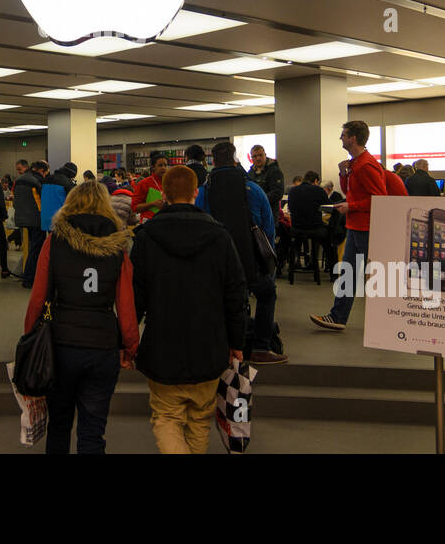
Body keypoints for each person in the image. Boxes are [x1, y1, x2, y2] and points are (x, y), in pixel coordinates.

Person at [131, 166, 247, 454]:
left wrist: (128, 341)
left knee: (167, 416)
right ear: (197, 193)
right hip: (210, 345)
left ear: (164, 195)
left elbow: (135, 296)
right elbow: (235, 294)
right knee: (199, 420)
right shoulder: (220, 236)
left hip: (161, 346)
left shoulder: (146, 237)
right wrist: (237, 342)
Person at [23, 180, 138, 454]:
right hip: (102, 346)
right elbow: (125, 303)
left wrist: (29, 336)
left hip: (60, 345)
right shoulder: (118, 247)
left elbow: (38, 296)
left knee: (59, 425)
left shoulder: (54, 242)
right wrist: (130, 346)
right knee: (93, 431)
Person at [197, 142, 283, 363]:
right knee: (267, 293)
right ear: (237, 161)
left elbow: (200, 225)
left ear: (212, 162)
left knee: (224, 299)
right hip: (251, 263)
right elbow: (268, 227)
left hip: (216, 266)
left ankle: (225, 346)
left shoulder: (204, 192)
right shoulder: (253, 189)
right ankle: (261, 348)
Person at [311, 120, 387, 332]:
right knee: (350, 274)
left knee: (373, 275)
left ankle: (389, 318)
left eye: (343, 135)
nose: (341, 138)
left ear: (353, 138)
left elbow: (380, 198)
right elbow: (350, 191)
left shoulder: (366, 165)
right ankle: (338, 317)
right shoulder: (355, 164)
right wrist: (343, 174)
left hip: (365, 227)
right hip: (356, 226)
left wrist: (351, 206)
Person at [286, 170, 333, 275]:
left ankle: (298, 263)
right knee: (328, 239)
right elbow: (328, 207)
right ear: (316, 181)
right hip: (315, 228)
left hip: (296, 228)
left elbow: (290, 207)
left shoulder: (292, 191)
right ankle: (331, 270)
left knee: (301, 238)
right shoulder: (319, 190)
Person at [17, 160, 47, 287]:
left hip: (23, 219)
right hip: (36, 219)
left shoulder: (20, 179)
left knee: (30, 249)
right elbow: (42, 199)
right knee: (36, 249)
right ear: (41, 171)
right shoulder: (37, 181)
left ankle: (27, 275)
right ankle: (29, 278)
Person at [131, 151, 169, 224]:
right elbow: (135, 207)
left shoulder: (170, 182)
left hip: (166, 221)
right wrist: (152, 204)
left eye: (165, 165)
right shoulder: (144, 183)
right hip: (149, 222)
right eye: (160, 165)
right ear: (153, 167)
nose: (163, 168)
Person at [13, 158, 41, 253]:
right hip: (35, 220)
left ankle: (26, 266)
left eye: (19, 169)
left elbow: (15, 202)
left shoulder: (18, 181)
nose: (18, 172)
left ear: (26, 167)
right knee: (34, 248)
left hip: (21, 219)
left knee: (26, 248)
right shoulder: (35, 180)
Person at [247, 144, 285, 211]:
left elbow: (277, 193)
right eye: (255, 156)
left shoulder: (274, 171)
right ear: (251, 158)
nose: (258, 158)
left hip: (270, 211)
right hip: (255, 211)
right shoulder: (250, 173)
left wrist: (259, 200)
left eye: (260, 155)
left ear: (265, 155)